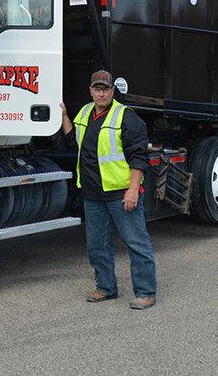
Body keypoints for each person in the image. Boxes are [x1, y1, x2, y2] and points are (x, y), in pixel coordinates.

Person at [60, 70, 157, 309]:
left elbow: (138, 157)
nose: (101, 93)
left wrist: (133, 190)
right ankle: (105, 287)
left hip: (121, 194)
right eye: (97, 88)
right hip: (93, 195)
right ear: (90, 90)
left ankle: (145, 292)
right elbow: (74, 142)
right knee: (97, 246)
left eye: (105, 89)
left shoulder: (125, 116)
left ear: (113, 91)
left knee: (136, 243)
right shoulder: (84, 113)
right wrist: (63, 115)